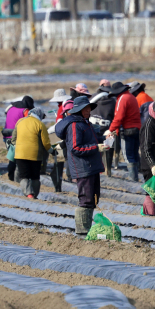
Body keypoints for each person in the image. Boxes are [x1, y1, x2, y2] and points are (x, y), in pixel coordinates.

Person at [55, 96, 108, 238]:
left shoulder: (85, 123)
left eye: (89, 108)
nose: (88, 110)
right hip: (83, 168)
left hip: (91, 166)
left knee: (93, 197)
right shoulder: (74, 125)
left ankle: (87, 229)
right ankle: (82, 232)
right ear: (78, 110)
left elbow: (93, 140)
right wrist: (96, 148)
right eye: (86, 108)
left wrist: (105, 139)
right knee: (86, 199)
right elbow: (75, 148)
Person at [11, 107, 55, 199]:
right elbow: (46, 143)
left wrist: (18, 147)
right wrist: (51, 151)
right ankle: (34, 194)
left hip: (20, 154)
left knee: (23, 175)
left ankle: (28, 194)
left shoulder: (20, 122)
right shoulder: (40, 124)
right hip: (35, 155)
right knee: (35, 176)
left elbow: (14, 138)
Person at [105, 82, 142, 182]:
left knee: (128, 156)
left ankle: (133, 179)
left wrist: (110, 129)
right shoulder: (131, 96)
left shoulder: (122, 98)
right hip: (137, 129)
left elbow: (118, 117)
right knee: (134, 154)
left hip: (127, 131)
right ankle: (138, 177)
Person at [3, 96, 34, 181]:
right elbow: (30, 123)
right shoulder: (25, 111)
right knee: (19, 159)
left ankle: (11, 177)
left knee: (12, 157)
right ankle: (16, 179)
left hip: (6, 135)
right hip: (17, 137)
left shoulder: (10, 108)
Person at [91, 80, 117, 176]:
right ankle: (108, 171)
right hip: (107, 130)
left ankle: (98, 171)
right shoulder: (112, 101)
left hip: (94, 130)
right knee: (108, 149)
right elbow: (115, 116)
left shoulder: (92, 98)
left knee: (95, 151)